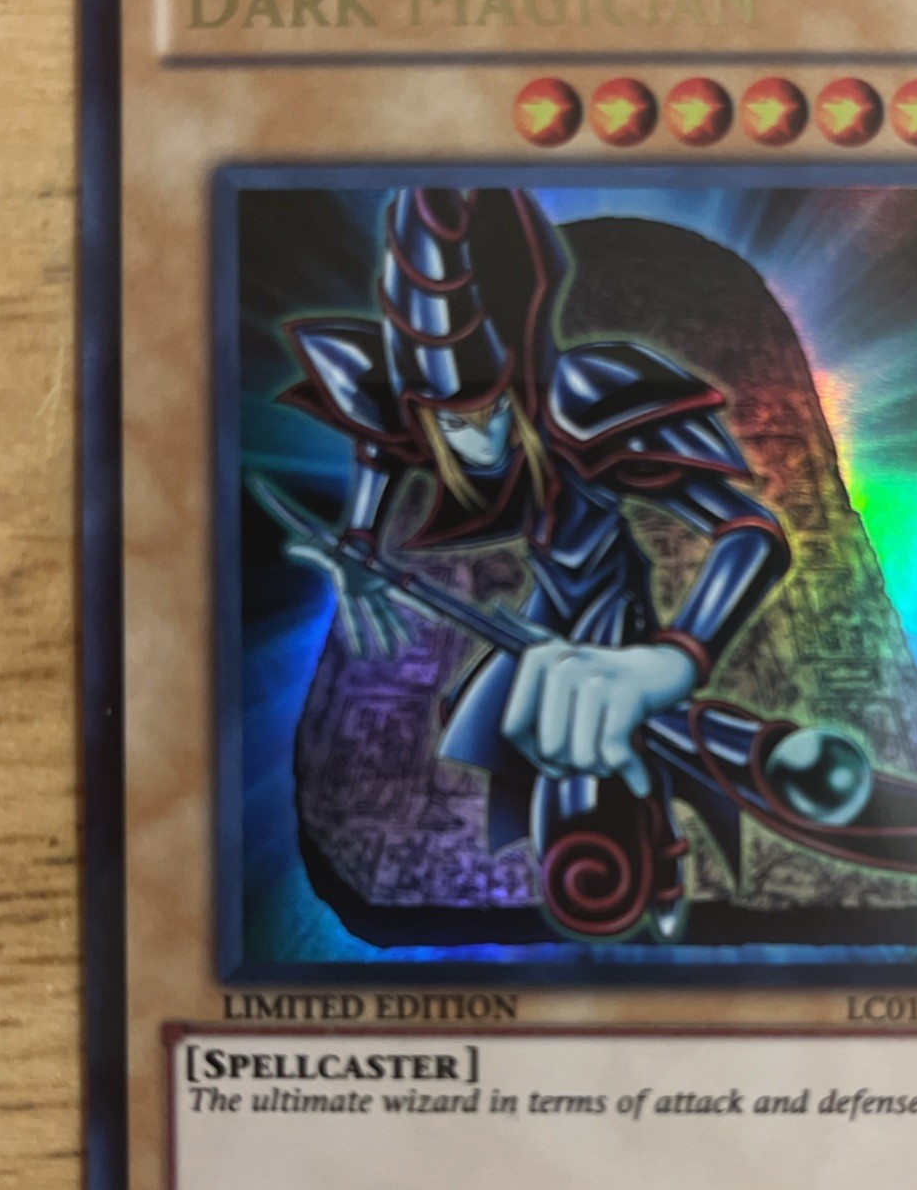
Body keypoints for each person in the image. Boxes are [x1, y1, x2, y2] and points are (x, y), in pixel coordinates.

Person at [277, 187, 790, 942]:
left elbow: (752, 531)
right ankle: (614, 867)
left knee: (604, 742)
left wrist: (677, 659)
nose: (478, 441)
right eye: (450, 420)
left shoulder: (585, 400)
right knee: (521, 734)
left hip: (612, 602)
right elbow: (381, 443)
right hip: (547, 606)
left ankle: (657, 861)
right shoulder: (406, 411)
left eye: (491, 410)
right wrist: (357, 542)